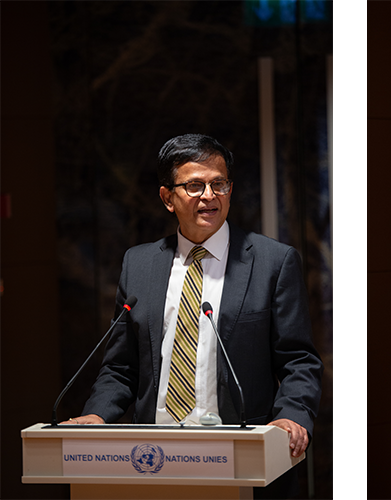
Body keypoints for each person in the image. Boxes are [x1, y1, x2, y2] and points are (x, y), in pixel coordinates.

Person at [65, 134, 323, 499]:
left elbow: (299, 360)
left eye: (219, 184)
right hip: (153, 461)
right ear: (167, 198)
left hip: (240, 457)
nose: (209, 196)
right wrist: (97, 415)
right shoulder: (138, 265)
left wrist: (292, 415)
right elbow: (121, 366)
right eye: (194, 185)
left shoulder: (273, 262)